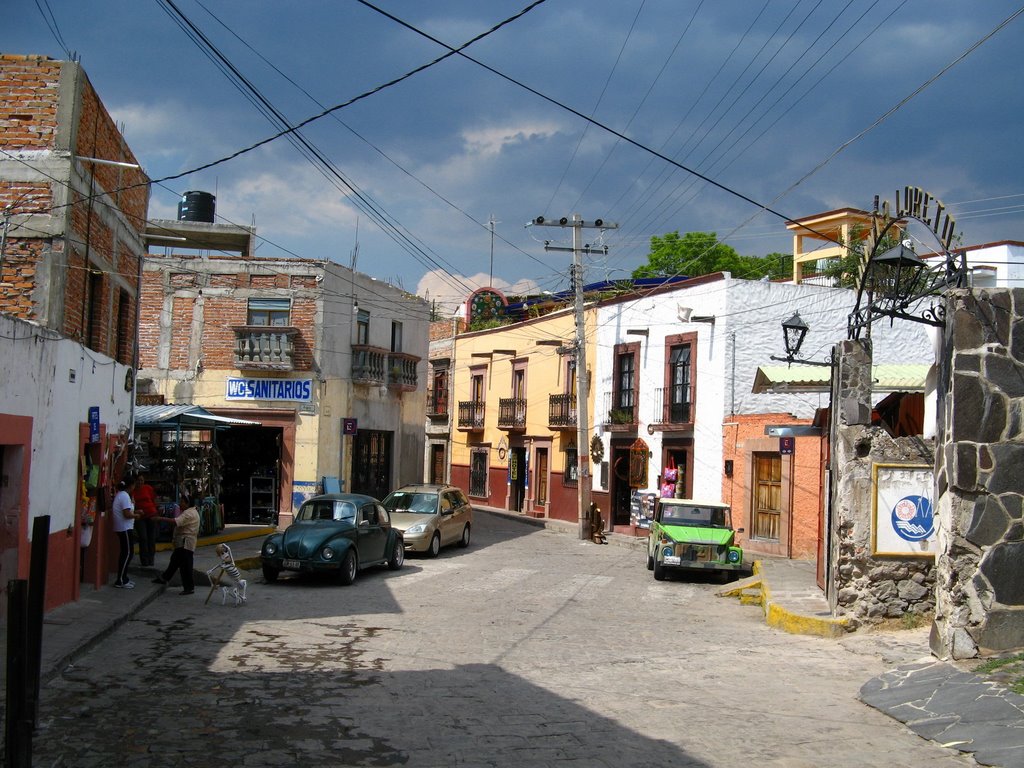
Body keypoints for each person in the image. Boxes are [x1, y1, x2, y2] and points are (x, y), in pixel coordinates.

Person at [152, 493, 201, 595]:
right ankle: (165, 578)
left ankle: (189, 587)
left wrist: (160, 518)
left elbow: (176, 522)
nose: (180, 503)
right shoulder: (191, 511)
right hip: (184, 542)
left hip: (185, 543)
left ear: (187, 503)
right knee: (174, 561)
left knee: (185, 566)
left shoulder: (188, 513)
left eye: (182, 501)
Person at [111, 477, 140, 588]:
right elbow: (127, 514)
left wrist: (136, 512)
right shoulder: (124, 496)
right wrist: (136, 515)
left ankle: (124, 577)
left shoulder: (122, 495)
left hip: (124, 527)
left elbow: (127, 511)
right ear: (131, 485)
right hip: (124, 528)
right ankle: (121, 580)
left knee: (127, 553)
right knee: (127, 553)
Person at [132, 474, 159, 566]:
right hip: (140, 517)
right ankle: (144, 560)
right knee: (143, 538)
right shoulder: (133, 491)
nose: (140, 482)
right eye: (139, 480)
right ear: (135, 481)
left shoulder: (148, 488)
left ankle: (151, 559)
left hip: (151, 515)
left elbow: (153, 499)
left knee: (151, 538)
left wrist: (156, 511)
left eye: (142, 480)